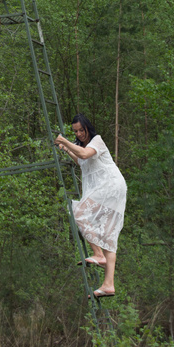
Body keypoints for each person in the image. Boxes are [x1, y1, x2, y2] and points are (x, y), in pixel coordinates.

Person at [55, 113, 126, 298]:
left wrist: (64, 140)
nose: (79, 134)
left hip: (110, 186)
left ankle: (98, 254)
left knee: (79, 211)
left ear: (88, 127)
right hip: (107, 189)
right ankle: (108, 284)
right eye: (75, 132)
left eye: (81, 130)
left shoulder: (97, 141)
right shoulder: (80, 146)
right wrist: (66, 148)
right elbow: (81, 160)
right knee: (109, 236)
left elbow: (85, 154)